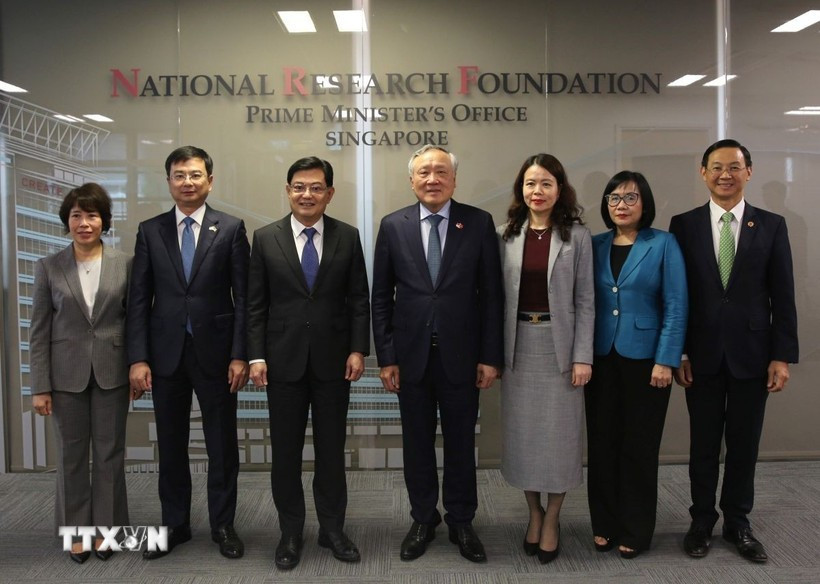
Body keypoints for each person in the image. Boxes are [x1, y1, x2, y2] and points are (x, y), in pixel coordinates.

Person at [372, 145, 504, 563]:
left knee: (461, 443)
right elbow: (381, 298)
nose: (433, 179)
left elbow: (492, 295)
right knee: (417, 443)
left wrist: (490, 356)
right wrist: (387, 357)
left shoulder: (478, 223)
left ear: (454, 179)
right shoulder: (392, 225)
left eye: (441, 172)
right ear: (411, 180)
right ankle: (423, 518)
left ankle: (462, 520)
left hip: (463, 356)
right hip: (410, 357)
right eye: (424, 172)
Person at [670, 139, 798, 563]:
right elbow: (677, 294)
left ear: (749, 172)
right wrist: (679, 353)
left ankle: (738, 522)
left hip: (753, 355)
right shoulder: (683, 225)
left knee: (744, 445)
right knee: (703, 445)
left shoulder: (772, 225)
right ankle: (701, 520)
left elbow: (783, 294)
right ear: (703, 172)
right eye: (717, 167)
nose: (725, 174)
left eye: (734, 167)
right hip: (700, 355)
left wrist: (781, 355)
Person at [127, 145, 250, 560]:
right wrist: (138, 358)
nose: (187, 182)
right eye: (179, 175)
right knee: (171, 443)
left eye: (195, 175)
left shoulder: (230, 228)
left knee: (221, 445)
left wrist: (240, 354)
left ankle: (223, 525)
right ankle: (175, 524)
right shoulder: (150, 230)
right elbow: (138, 299)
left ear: (210, 181)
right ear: (168, 182)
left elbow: (244, 299)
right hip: (165, 355)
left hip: (217, 354)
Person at [247, 156, 370, 569]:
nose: (307, 194)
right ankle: (290, 533)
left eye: (316, 187)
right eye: (299, 187)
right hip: (282, 363)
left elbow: (359, 299)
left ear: (329, 194)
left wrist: (358, 349)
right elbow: (255, 305)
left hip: (334, 362)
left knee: (331, 452)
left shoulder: (348, 237)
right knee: (286, 454)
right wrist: (256, 355)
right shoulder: (266, 238)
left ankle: (333, 530)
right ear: (288, 191)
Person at [497, 153, 594, 564]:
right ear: (521, 189)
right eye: (530, 183)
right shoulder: (504, 235)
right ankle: (533, 513)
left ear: (559, 189)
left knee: (559, 440)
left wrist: (583, 356)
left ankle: (552, 517)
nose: (537, 191)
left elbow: (586, 301)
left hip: (561, 349)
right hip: (518, 346)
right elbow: (493, 300)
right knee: (524, 439)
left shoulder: (578, 237)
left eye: (546, 184)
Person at [585, 171, 688, 558]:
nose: (621, 205)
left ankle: (636, 528)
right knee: (602, 444)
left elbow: (676, 304)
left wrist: (666, 359)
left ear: (645, 203)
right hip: (599, 358)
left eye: (630, 198)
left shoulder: (663, 243)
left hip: (646, 360)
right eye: (613, 198)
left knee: (639, 447)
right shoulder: (594, 244)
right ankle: (604, 524)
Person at [30, 183, 134, 564]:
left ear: (104, 220)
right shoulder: (48, 267)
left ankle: (107, 530)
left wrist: (137, 367)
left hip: (113, 372)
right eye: (76, 215)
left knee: (109, 454)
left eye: (92, 215)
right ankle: (77, 532)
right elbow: (38, 332)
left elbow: (135, 322)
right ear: (67, 221)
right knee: (71, 457)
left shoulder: (126, 263)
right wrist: (40, 386)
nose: (84, 223)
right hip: (65, 377)